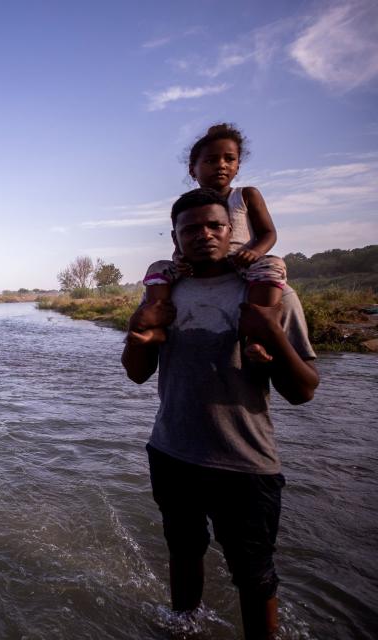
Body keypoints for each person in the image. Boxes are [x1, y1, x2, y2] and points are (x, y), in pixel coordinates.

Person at [121, 188, 319, 640]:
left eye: (214, 226)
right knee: (183, 552)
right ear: (175, 237)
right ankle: (183, 629)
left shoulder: (270, 294)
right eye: (191, 229)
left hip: (246, 462)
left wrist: (269, 331)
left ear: (232, 232)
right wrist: (138, 338)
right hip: (172, 452)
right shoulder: (167, 295)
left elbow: (304, 390)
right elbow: (136, 374)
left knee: (255, 576)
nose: (204, 235)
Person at [137, 123, 287, 363]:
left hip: (242, 264)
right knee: (158, 268)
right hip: (198, 268)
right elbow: (179, 245)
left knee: (274, 265)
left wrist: (254, 252)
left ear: (238, 166)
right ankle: (156, 326)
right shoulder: (186, 206)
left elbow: (268, 233)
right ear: (192, 170)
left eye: (229, 159)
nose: (221, 165)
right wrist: (180, 261)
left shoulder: (246, 195)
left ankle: (258, 338)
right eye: (211, 160)